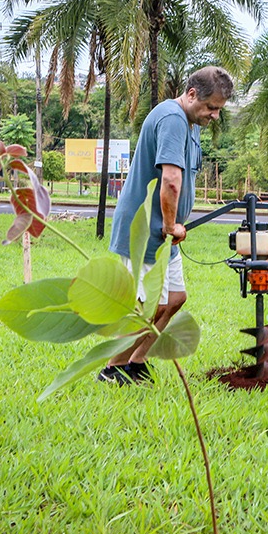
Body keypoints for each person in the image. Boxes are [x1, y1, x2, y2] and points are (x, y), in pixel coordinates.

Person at [98, 66, 234, 385]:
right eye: (211, 108)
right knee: (148, 307)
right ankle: (111, 369)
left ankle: (136, 361)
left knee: (175, 299)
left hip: (164, 236)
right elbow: (171, 180)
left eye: (218, 110)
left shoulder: (190, 122)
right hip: (145, 230)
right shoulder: (172, 119)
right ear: (191, 95)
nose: (214, 115)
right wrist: (172, 225)